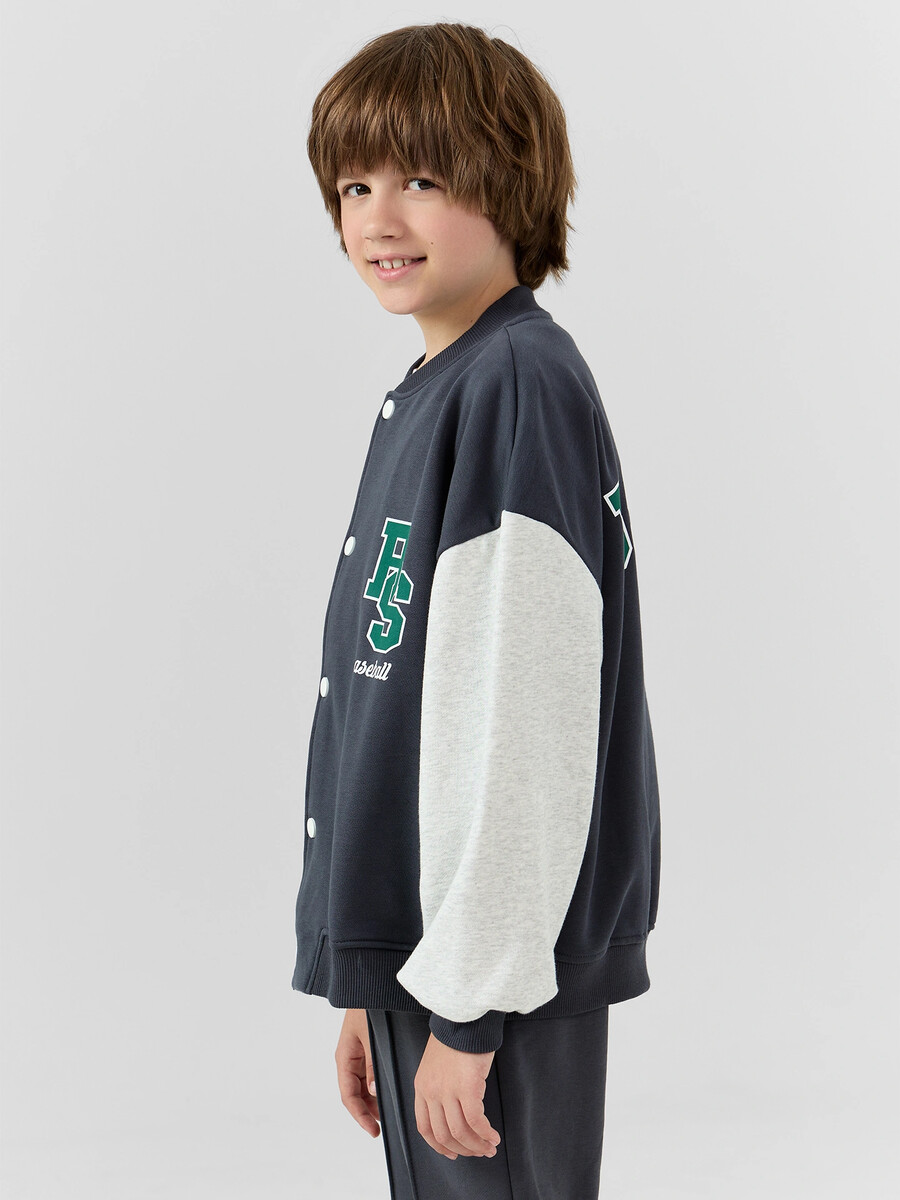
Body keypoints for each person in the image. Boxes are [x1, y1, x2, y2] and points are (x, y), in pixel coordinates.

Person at [291, 21, 661, 1199]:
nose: (376, 219)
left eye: (420, 179)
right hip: (437, 957)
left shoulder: (514, 388)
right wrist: (371, 980)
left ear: (509, 183)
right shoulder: (444, 386)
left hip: (491, 974)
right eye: (354, 186)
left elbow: (526, 723)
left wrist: (470, 1002)